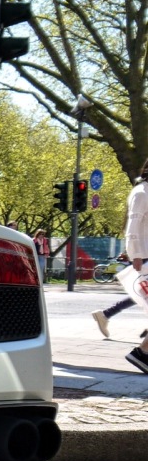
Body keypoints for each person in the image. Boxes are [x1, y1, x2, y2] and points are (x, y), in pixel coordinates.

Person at [93, 158, 148, 373]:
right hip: (144, 257)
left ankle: (143, 352)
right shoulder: (142, 192)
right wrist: (135, 254)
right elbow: (133, 224)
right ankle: (142, 352)